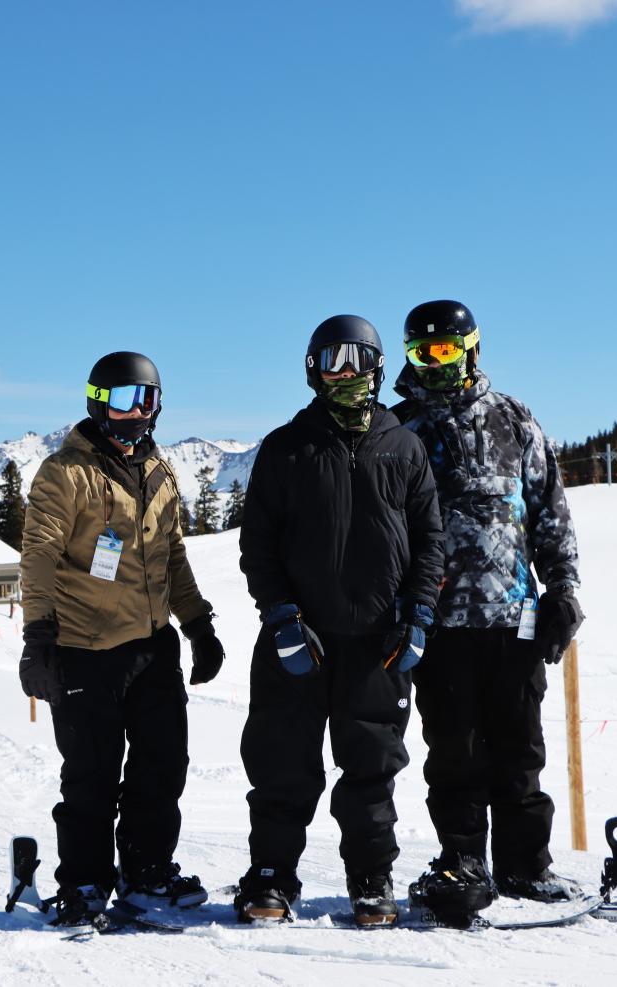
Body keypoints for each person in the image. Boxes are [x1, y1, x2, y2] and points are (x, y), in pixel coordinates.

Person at [234, 316, 444, 926]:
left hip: (378, 642)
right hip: (300, 639)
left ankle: (372, 881)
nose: (345, 373)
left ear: (378, 367)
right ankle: (271, 878)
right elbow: (259, 546)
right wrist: (280, 617)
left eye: (357, 359)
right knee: (281, 766)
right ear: (312, 369)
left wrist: (418, 613)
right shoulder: (285, 446)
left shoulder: (404, 445)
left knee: (372, 771)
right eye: (332, 361)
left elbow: (429, 539)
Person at [391, 300, 585, 919]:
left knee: (520, 748)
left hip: (514, 620)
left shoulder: (515, 421)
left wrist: (563, 589)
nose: (435, 364)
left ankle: (527, 865)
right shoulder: (400, 432)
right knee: (454, 751)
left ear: (472, 349)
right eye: (423, 353)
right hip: (439, 624)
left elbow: (549, 511)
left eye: (447, 351)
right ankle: (462, 859)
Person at [20, 350, 226, 928]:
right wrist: (39, 639)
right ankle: (84, 882)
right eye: (122, 400)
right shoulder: (65, 473)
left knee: (162, 768)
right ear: (96, 402)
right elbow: (38, 556)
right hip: (86, 650)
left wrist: (198, 626)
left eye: (147, 400)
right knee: (91, 774)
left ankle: (147, 871)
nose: (135, 413)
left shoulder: (161, 471)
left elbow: (173, 556)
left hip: (154, 648)